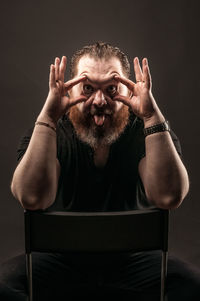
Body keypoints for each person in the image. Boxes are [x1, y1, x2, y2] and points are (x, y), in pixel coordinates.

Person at [0, 41, 199, 300]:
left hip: (134, 260)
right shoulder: (50, 134)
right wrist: (47, 118)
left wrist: (151, 117)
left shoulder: (146, 131)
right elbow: (31, 197)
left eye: (112, 89)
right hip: (61, 259)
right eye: (87, 88)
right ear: (70, 90)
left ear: (127, 90)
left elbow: (169, 196)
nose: (100, 100)